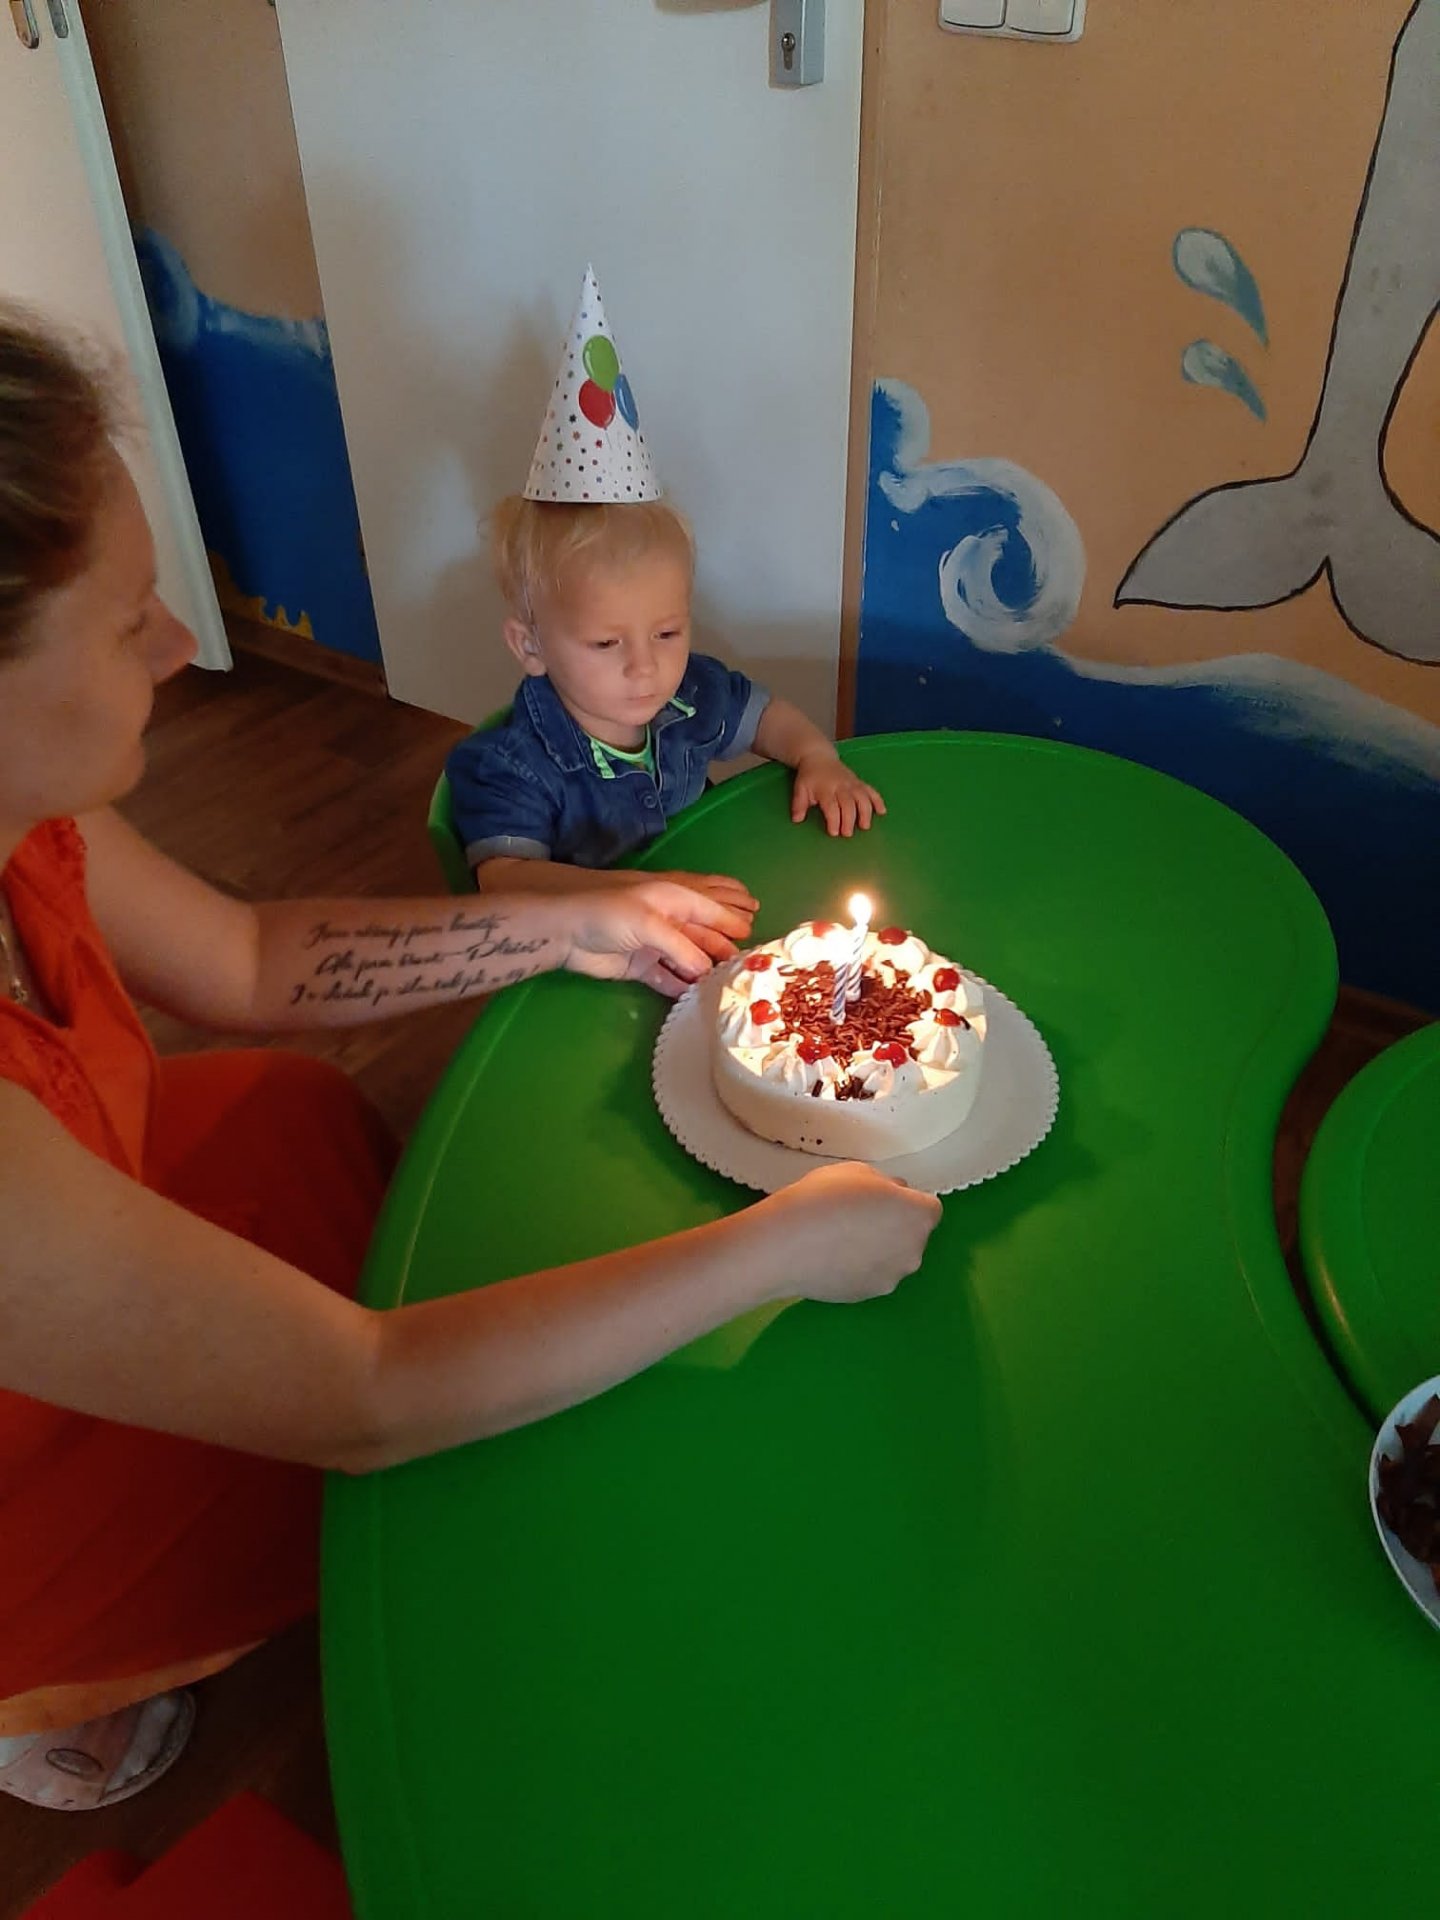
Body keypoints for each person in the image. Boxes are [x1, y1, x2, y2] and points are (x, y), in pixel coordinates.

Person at [0, 310, 941, 1810]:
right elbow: (364, 1400)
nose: (182, 643)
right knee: (435, 1506)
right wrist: (780, 1248)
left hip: (100, 1172)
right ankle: (63, 1686)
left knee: (305, 1125)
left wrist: (572, 922)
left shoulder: (35, 814)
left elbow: (243, 960)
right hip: (35, 1442)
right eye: (126, 624)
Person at [445, 270, 884, 926]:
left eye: (667, 633)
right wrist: (641, 894)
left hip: (703, 912)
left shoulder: (691, 693)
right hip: (588, 953)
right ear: (530, 646)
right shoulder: (511, 765)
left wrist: (817, 756)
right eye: (605, 642)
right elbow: (507, 882)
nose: (645, 666)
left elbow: (766, 717)